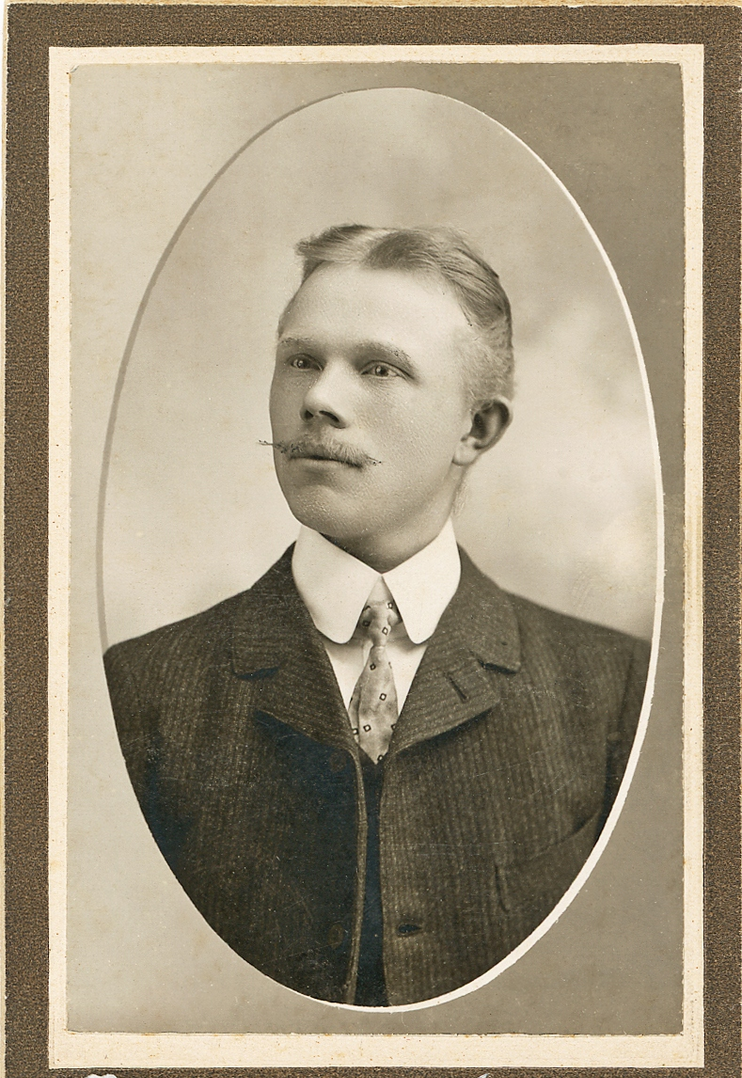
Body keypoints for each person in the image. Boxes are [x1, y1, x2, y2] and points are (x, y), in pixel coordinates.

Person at [104, 225, 650, 1008]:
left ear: (476, 428)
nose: (319, 400)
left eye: (379, 368)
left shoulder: (617, 689)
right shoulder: (138, 689)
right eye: (301, 360)